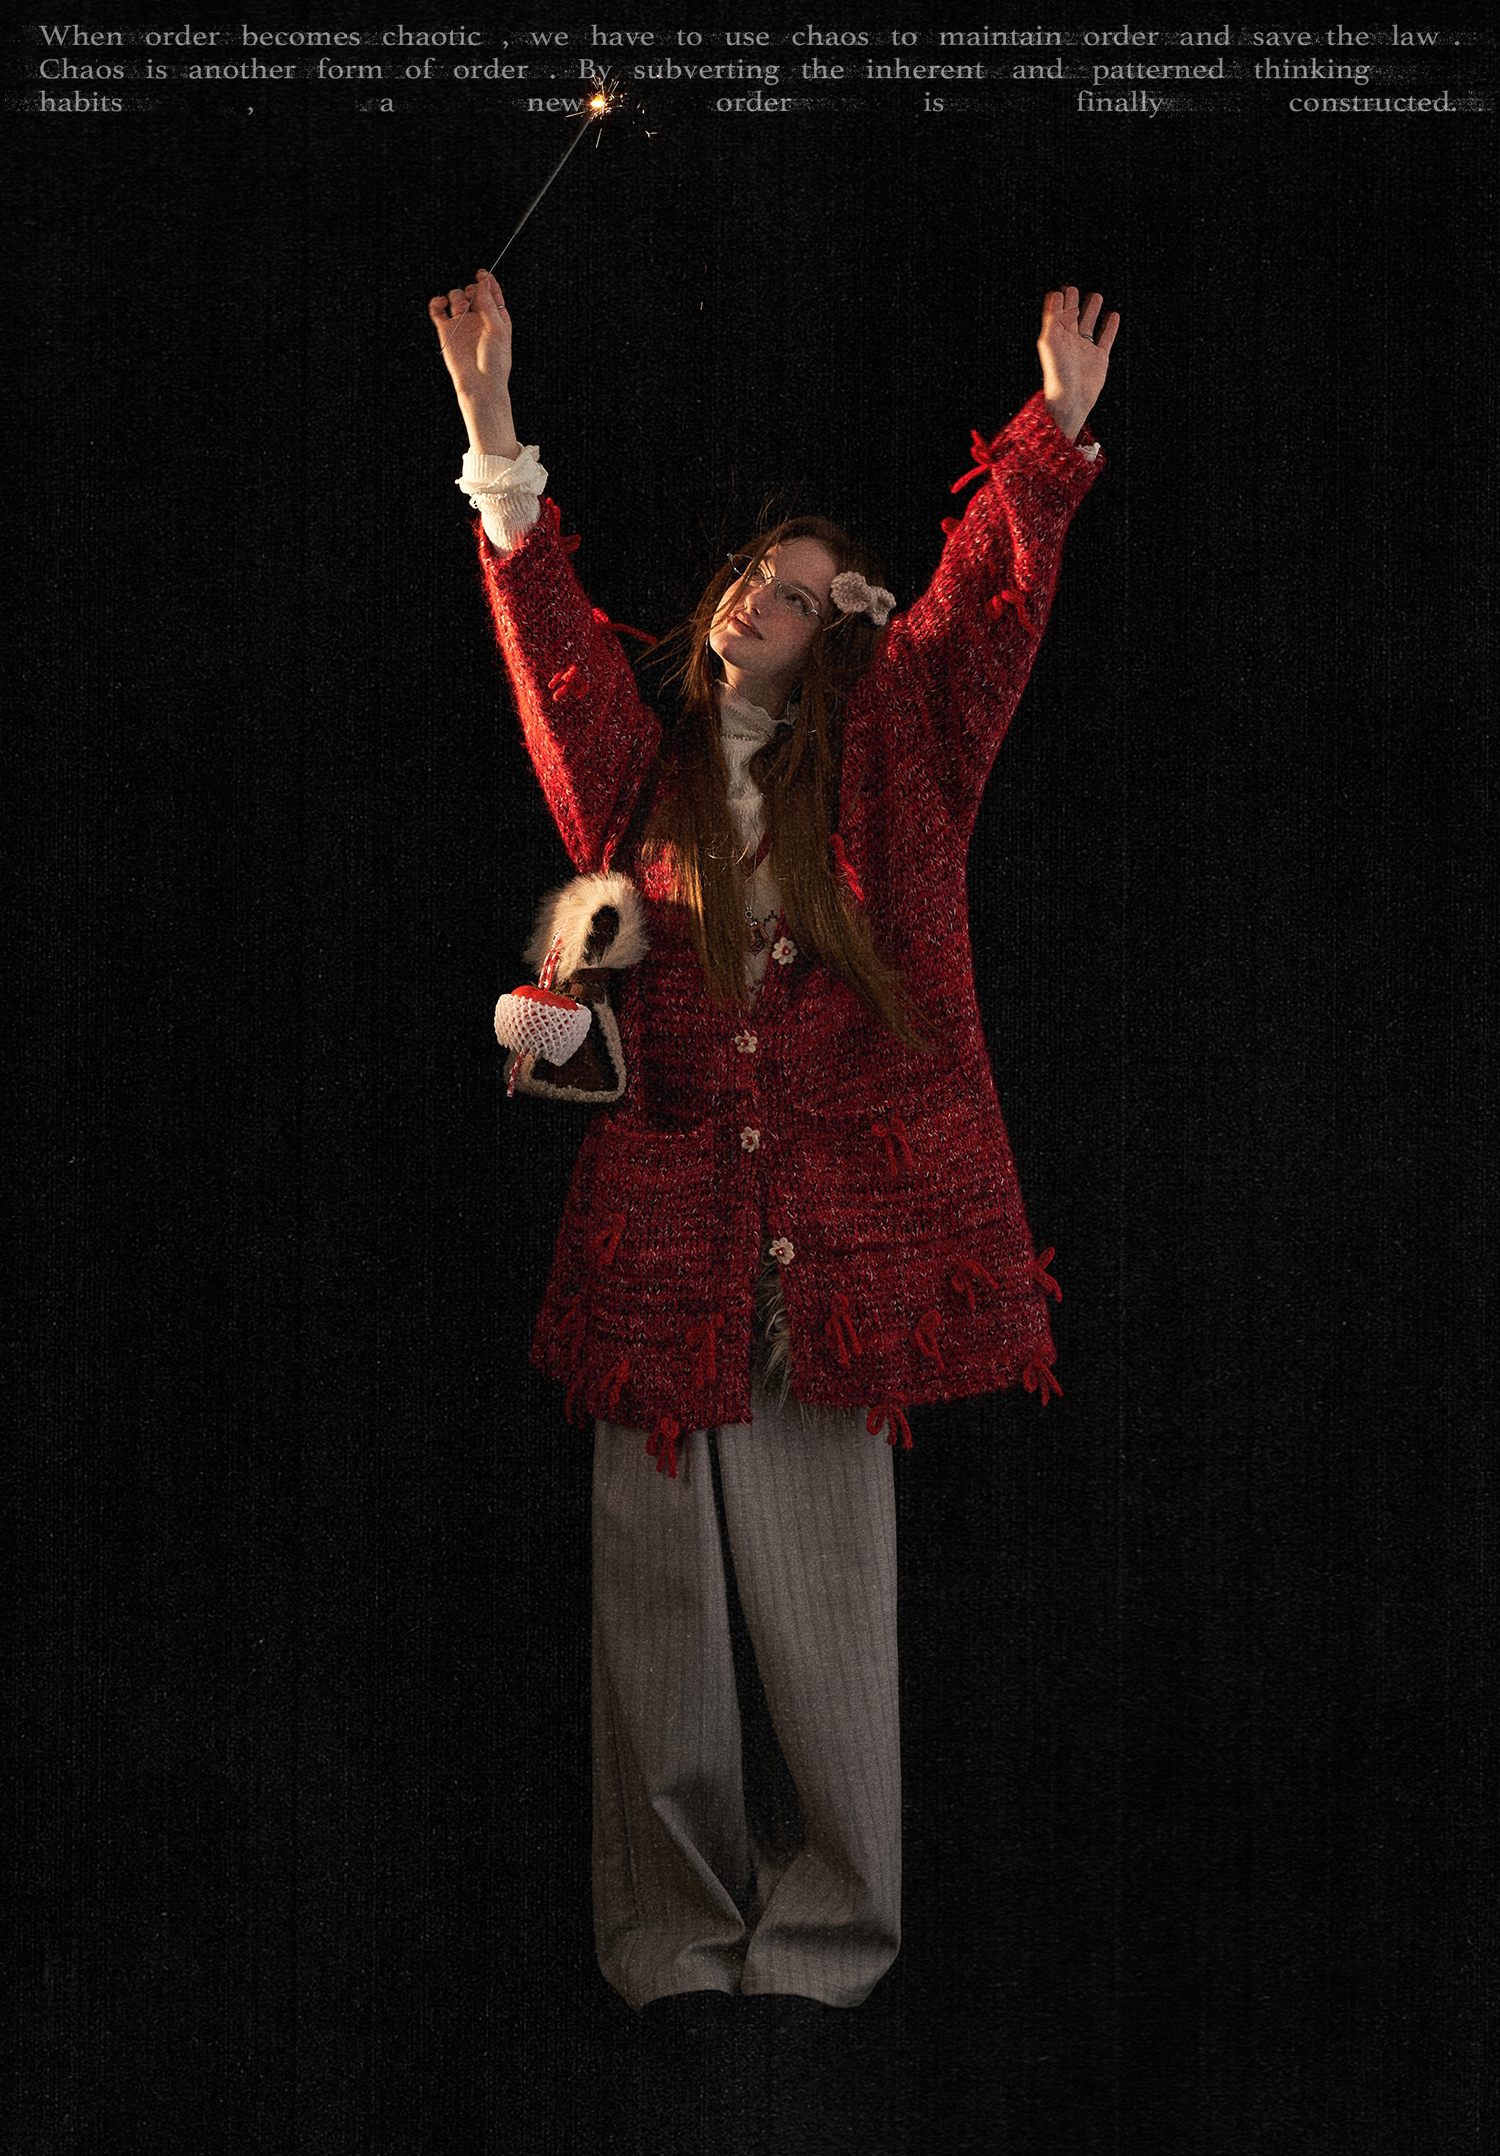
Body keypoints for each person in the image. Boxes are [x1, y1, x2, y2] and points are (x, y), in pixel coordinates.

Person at [430, 266, 1118, 2013]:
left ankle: (822, 1947)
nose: (764, 600)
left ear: (838, 637)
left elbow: (980, 627)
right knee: (655, 1618)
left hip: (841, 1258)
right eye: (756, 575)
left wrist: (1050, 434)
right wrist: (491, 422)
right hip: (660, 1252)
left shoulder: (896, 766)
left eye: (805, 595)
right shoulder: (636, 770)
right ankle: (670, 1940)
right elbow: (547, 637)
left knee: (824, 1608)